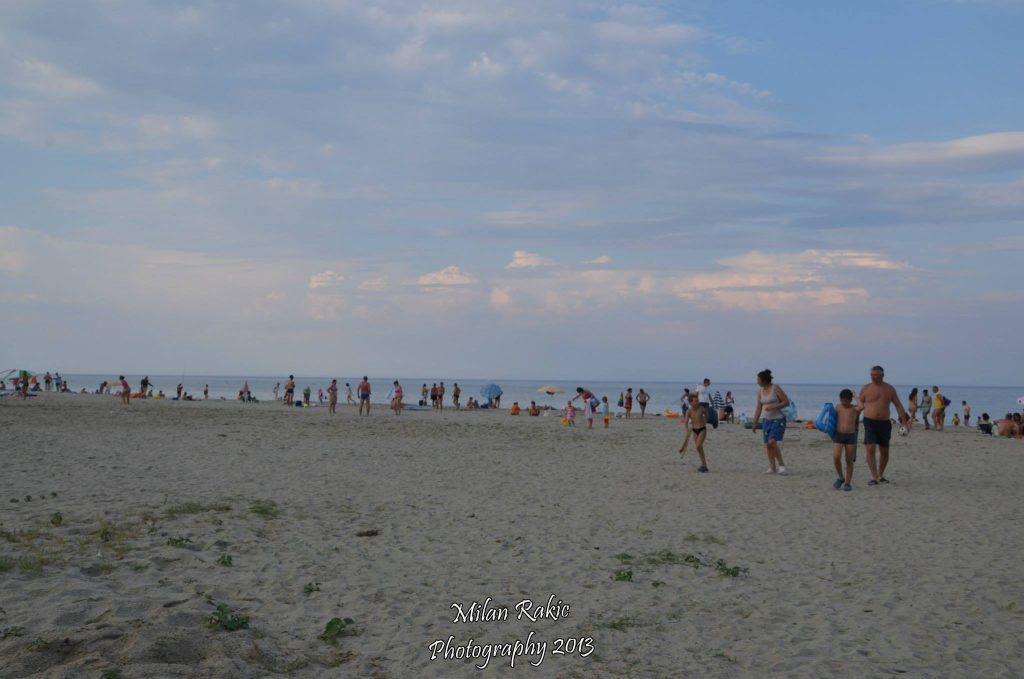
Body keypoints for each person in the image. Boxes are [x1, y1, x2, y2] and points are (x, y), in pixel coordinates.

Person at [859, 366, 910, 486]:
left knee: (884, 451)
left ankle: (880, 475)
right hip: (869, 421)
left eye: (876, 375)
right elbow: (859, 406)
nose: (873, 377)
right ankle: (874, 477)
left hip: (884, 423)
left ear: (882, 375)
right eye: (872, 375)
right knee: (870, 448)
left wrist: (904, 422)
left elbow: (898, 405)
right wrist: (853, 420)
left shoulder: (889, 389)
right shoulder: (866, 388)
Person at [752, 369, 788, 475]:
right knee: (768, 445)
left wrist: (774, 406)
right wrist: (754, 423)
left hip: (778, 419)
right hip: (766, 420)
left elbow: (786, 402)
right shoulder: (760, 392)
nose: (757, 382)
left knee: (772, 442)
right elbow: (758, 408)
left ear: (764, 380)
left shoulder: (775, 388)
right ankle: (772, 467)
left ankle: (781, 465)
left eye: (758, 380)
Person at [831, 389, 862, 491]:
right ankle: (841, 477)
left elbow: (862, 406)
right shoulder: (838, 407)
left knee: (849, 460)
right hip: (838, 435)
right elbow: (831, 417)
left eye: (846, 401)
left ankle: (848, 483)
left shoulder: (854, 408)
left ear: (850, 400)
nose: (844, 403)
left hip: (850, 436)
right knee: (836, 457)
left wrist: (855, 395)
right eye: (842, 400)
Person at [682, 392, 710, 472]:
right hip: (694, 431)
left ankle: (704, 465)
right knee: (699, 448)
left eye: (698, 400)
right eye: (696, 401)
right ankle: (704, 465)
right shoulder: (689, 411)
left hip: (702, 429)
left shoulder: (701, 408)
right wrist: (687, 430)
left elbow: (706, 414)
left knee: (698, 446)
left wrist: (705, 420)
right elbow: (685, 422)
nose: (698, 402)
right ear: (691, 402)